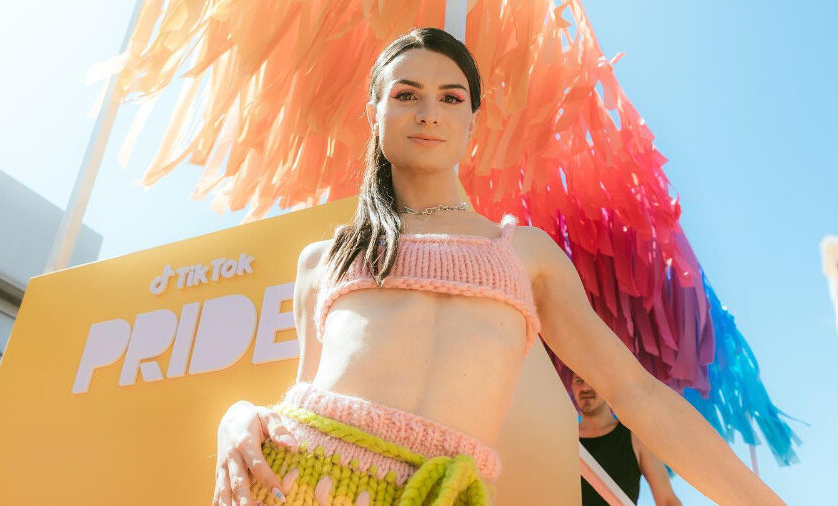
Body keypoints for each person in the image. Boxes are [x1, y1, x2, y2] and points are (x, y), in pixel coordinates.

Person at [211, 27, 784, 506]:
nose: (428, 113)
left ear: (473, 120)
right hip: (293, 484)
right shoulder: (324, 258)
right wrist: (237, 415)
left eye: (451, 97)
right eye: (406, 94)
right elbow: (303, 392)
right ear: (376, 112)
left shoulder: (525, 253)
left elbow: (637, 395)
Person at [573, 374, 682, 506]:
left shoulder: (636, 438)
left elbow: (667, 500)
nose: (585, 387)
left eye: (592, 380)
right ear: (572, 387)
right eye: (579, 381)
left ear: (607, 387)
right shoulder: (563, 440)